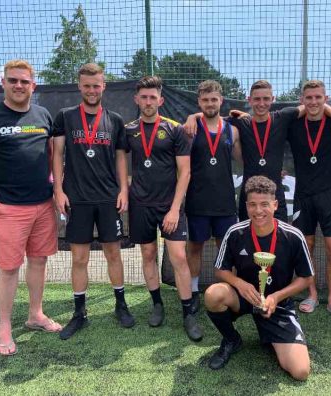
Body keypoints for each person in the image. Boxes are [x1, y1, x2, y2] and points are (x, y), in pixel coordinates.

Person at [185, 80, 331, 222]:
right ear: (249, 100)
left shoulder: (283, 117)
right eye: (257, 99)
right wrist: (193, 117)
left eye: (265, 99)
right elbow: (212, 116)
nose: (261, 103)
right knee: (247, 244)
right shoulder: (241, 122)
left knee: (279, 244)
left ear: (272, 99)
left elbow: (312, 105)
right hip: (248, 196)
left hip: (276, 196)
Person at [52, 63, 134, 340]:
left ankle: (120, 305)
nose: (91, 90)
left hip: (109, 198)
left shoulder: (115, 120)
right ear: (79, 86)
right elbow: (57, 153)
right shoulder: (65, 116)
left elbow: (122, 157)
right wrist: (59, 190)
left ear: (103, 86)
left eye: (96, 85)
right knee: (79, 258)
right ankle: (79, 313)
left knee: (114, 253)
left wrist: (123, 190)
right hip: (77, 198)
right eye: (86, 85)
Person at [205, 176, 313, 380]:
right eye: (253, 205)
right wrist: (240, 284)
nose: (258, 211)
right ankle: (231, 340)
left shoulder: (293, 236)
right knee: (213, 294)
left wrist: (276, 297)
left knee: (301, 372)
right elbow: (221, 270)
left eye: (264, 204)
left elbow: (306, 279)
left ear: (275, 205)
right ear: (246, 206)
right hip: (245, 297)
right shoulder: (235, 232)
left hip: (277, 304)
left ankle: (272, 334)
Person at [125, 75, 202, 341]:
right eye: (143, 97)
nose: (148, 102)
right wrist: (126, 190)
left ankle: (188, 311)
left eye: (152, 97)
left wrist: (174, 209)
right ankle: (157, 304)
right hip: (140, 205)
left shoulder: (175, 129)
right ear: (137, 99)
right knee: (147, 256)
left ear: (161, 100)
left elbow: (185, 172)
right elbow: (121, 164)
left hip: (169, 206)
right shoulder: (128, 130)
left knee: (178, 257)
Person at [0, 60, 61, 356]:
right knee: (9, 269)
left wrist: (55, 190)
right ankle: (5, 328)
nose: (18, 85)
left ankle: (35, 315)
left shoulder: (43, 114)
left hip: (43, 205)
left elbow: (51, 156)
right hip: (8, 207)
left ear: (33, 86)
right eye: (13, 80)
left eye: (24, 81)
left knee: (38, 261)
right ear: (4, 83)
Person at [288, 80, 331, 321]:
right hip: (303, 195)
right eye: (309, 98)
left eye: (318, 97)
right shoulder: (293, 124)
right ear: (302, 101)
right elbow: (265, 122)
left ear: (326, 99)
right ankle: (312, 294)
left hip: (329, 194)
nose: (314, 102)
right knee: (306, 247)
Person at [185, 80, 241, 313]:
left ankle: (226, 291)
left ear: (221, 101)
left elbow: (243, 161)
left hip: (225, 202)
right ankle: (194, 291)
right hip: (197, 200)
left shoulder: (233, 130)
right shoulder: (190, 128)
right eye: (205, 100)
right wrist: (192, 117)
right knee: (195, 247)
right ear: (199, 102)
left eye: (214, 99)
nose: (210, 103)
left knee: (225, 248)